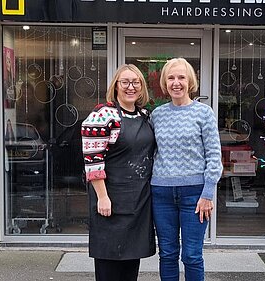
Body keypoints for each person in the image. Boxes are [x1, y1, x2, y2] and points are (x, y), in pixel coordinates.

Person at [81, 64, 156, 281]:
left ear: (141, 87)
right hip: (110, 200)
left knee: (131, 267)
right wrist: (102, 197)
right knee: (109, 267)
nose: (131, 87)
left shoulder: (145, 115)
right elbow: (93, 160)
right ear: (116, 86)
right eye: (125, 82)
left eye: (136, 82)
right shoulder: (103, 115)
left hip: (139, 202)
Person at [150, 58, 223, 281]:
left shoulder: (204, 113)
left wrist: (208, 193)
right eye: (171, 78)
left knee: (192, 255)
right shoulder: (157, 115)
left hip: (195, 195)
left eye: (181, 77)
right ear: (165, 83)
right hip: (161, 195)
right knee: (168, 254)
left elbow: (214, 155)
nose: (176, 82)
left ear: (190, 81)